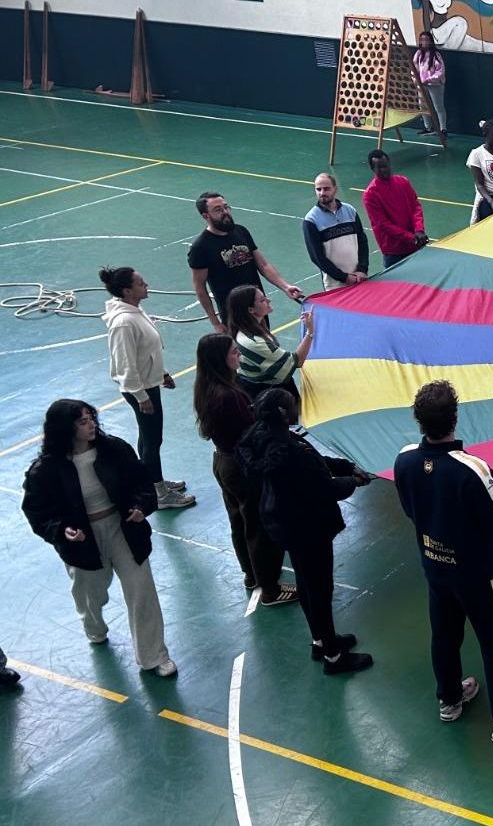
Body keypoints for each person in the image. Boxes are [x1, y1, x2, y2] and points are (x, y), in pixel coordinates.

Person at [393, 381, 493, 743]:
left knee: (444, 634)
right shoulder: (472, 470)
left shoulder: (404, 460)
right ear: (455, 418)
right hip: (480, 574)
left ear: (418, 420)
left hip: (435, 566)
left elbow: (410, 509)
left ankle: (449, 699)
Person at [21, 400, 177, 677]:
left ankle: (154, 655)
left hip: (122, 528)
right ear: (65, 429)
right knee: (91, 593)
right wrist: (61, 530)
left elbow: (141, 482)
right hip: (83, 539)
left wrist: (141, 507)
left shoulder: (114, 449)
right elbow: (38, 511)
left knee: (141, 590)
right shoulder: (45, 470)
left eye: (91, 417)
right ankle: (93, 626)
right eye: (82, 421)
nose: (91, 424)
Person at [236, 389, 375, 675]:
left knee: (306, 581)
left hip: (283, 521)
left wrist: (346, 466)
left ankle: (321, 640)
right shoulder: (290, 452)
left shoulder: (262, 438)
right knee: (320, 589)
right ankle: (334, 657)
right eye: (292, 404)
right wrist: (354, 481)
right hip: (308, 525)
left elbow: (315, 462)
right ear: (284, 413)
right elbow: (324, 488)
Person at [193, 334, 295, 605]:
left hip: (223, 461)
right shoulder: (229, 395)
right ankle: (270, 589)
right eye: (234, 353)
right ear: (221, 359)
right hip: (241, 466)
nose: (239, 355)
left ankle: (251, 575)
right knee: (258, 524)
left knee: (239, 521)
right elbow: (250, 431)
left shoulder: (207, 387)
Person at [101, 266, 195, 510]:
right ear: (127, 290)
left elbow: (146, 351)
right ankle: (159, 494)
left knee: (149, 436)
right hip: (140, 390)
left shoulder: (135, 311)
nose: (147, 285)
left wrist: (161, 373)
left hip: (148, 383)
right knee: (153, 439)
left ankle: (153, 482)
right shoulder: (123, 323)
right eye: (141, 283)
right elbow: (125, 364)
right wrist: (141, 396)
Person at [188, 192, 305, 334]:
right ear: (206, 216)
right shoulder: (200, 247)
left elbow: (263, 265)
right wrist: (216, 323)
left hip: (258, 308)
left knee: (266, 345)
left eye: (226, 207)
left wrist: (285, 287)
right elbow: (200, 288)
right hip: (234, 315)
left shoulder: (241, 231)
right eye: (218, 210)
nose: (225, 212)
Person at [227, 286, 313, 402]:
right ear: (251, 310)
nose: (268, 301)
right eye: (262, 300)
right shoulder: (254, 342)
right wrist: (310, 332)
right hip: (269, 395)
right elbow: (295, 362)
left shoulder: (252, 326)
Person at [302, 173, 370, 292]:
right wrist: (343, 277)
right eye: (318, 189)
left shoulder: (350, 211)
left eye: (326, 188)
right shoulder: (311, 220)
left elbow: (362, 242)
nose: (322, 193)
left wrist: (362, 269)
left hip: (359, 278)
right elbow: (317, 257)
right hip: (334, 285)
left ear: (335, 189)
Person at [363, 149, 429, 268]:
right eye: (380, 167)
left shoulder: (403, 181)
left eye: (386, 166)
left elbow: (416, 206)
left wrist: (419, 230)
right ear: (373, 169)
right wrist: (412, 237)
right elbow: (383, 224)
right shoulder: (370, 194)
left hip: (414, 244)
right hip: (394, 252)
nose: (384, 170)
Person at [413, 30, 449, 148]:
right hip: (421, 84)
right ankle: (428, 127)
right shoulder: (418, 54)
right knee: (422, 105)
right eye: (422, 40)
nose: (424, 42)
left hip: (435, 85)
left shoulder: (436, 55)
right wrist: (416, 80)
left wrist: (430, 79)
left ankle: (443, 129)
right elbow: (414, 69)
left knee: (438, 106)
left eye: (426, 40)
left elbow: (440, 71)